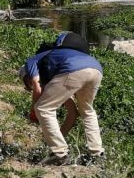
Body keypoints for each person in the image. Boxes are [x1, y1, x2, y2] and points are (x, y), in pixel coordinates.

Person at [21, 32, 105, 166]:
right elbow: (72, 114)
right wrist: (57, 136)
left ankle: (60, 155)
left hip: (73, 69)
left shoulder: (32, 61)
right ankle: (96, 153)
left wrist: (33, 110)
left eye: (27, 83)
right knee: (87, 110)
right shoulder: (58, 67)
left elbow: (37, 86)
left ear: (26, 75)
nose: (29, 86)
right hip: (96, 68)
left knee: (43, 108)